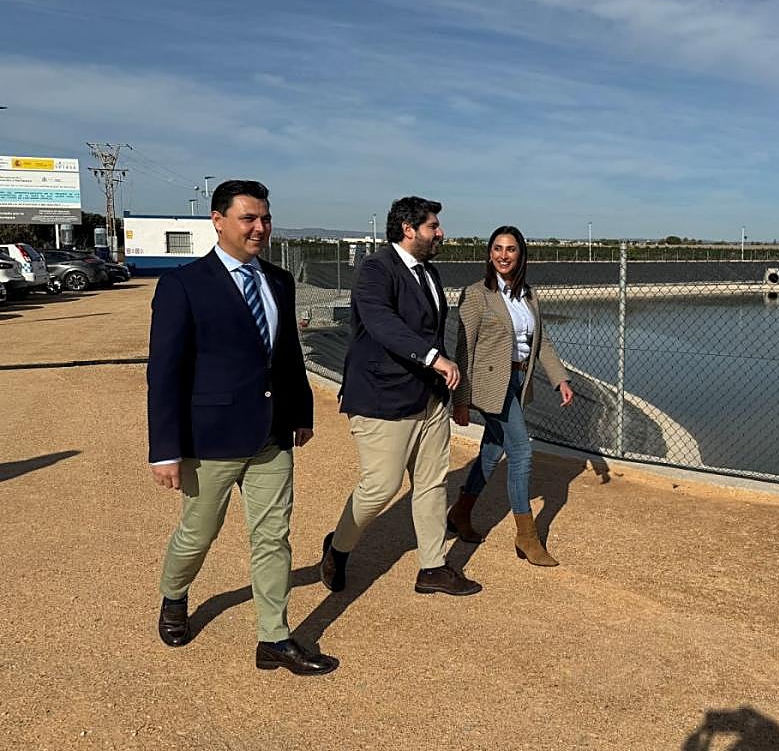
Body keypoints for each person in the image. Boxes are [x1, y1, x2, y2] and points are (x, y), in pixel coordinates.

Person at [148, 179, 336, 676]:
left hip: (272, 437)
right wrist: (164, 449)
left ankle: (273, 637)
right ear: (218, 220)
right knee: (198, 532)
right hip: (210, 439)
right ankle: (174, 593)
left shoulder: (279, 280)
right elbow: (165, 372)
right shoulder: (183, 284)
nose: (259, 227)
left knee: (273, 537)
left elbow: (288, 357)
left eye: (265, 218)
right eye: (249, 218)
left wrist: (300, 414)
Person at [320, 196, 482, 596]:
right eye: (433, 226)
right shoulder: (377, 269)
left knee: (431, 483)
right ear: (409, 229)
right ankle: (338, 549)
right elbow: (380, 322)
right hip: (383, 397)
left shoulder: (429, 272)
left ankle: (432, 567)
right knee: (381, 485)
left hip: (429, 398)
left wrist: (440, 376)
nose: (440, 232)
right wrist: (434, 359)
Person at [450, 225, 574, 566]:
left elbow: (541, 342)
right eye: (498, 249)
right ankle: (527, 536)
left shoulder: (528, 295)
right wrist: (460, 399)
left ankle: (460, 512)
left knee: (492, 451)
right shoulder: (477, 294)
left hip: (520, 381)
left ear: (520, 255)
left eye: (511, 249)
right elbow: (464, 346)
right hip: (492, 385)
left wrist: (559, 379)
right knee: (521, 450)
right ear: (490, 254)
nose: (504, 255)